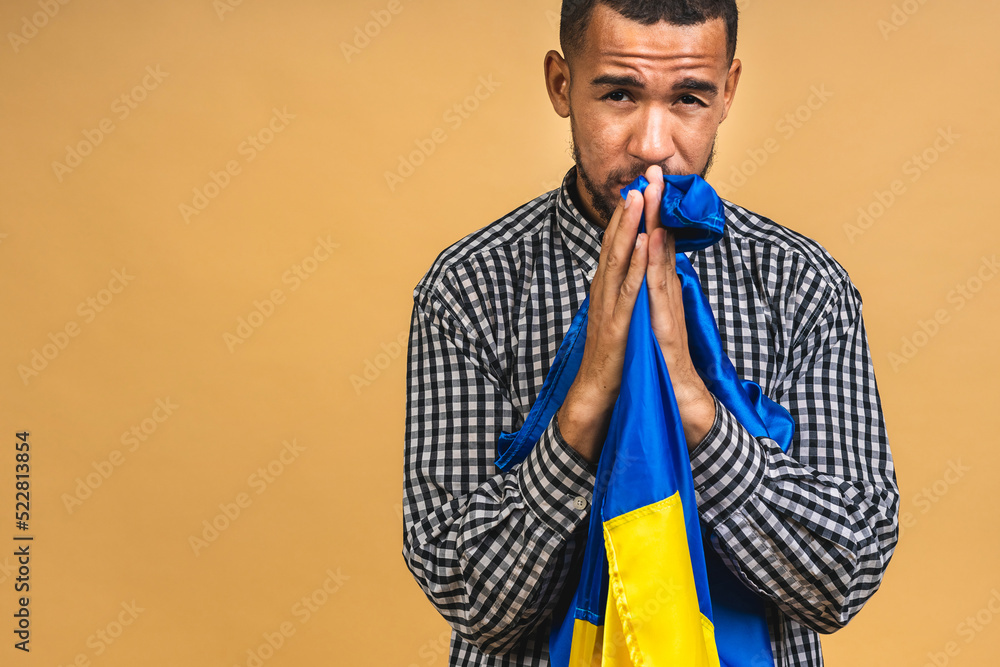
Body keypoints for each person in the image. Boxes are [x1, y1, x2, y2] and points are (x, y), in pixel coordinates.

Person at [401, 1, 899, 665]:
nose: (653, 144)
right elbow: (470, 597)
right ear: (561, 84)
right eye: (619, 94)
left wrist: (694, 406)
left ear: (728, 92)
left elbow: (844, 575)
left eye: (689, 97)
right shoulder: (470, 288)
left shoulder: (803, 286)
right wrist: (583, 406)